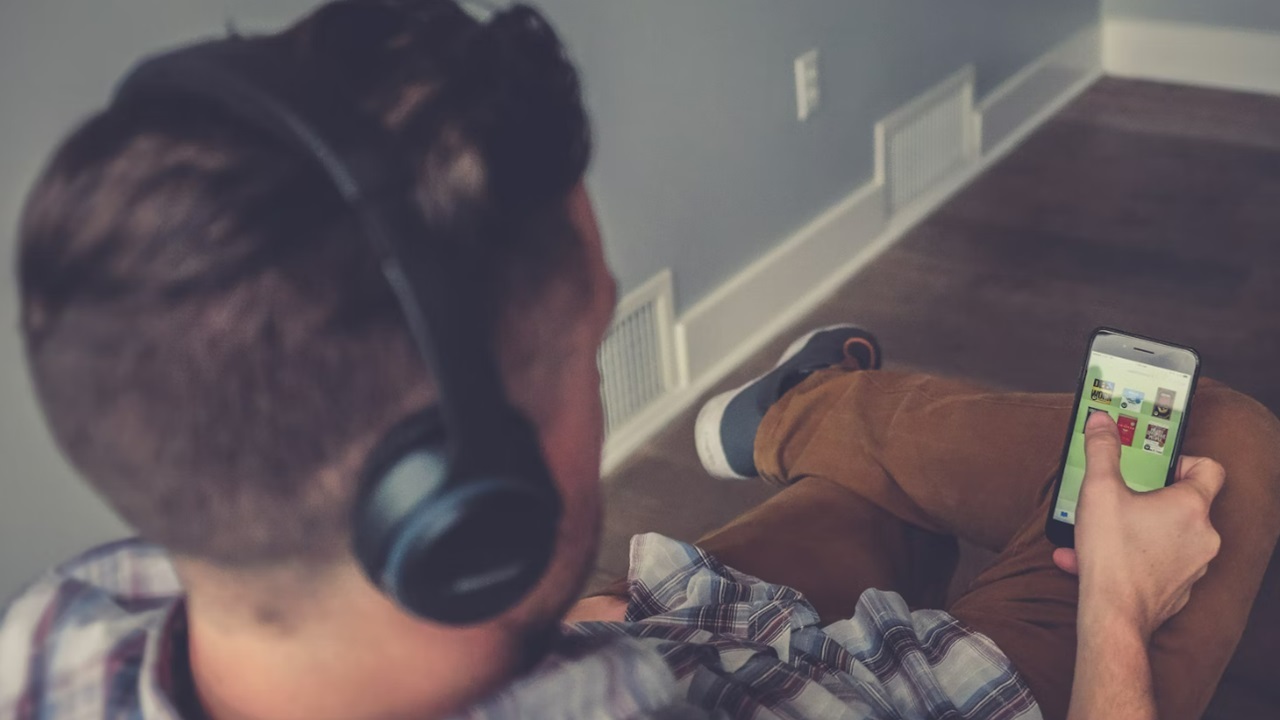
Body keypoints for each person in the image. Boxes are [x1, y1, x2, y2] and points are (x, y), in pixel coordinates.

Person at [1, 1, 1277, 718]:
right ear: (470, 507)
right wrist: (1117, 614)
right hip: (825, 678)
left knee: (865, 515)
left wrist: (556, 626)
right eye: (589, 347)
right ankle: (810, 409)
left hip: (628, 624)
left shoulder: (59, 637)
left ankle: (811, 416)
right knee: (1218, 443)